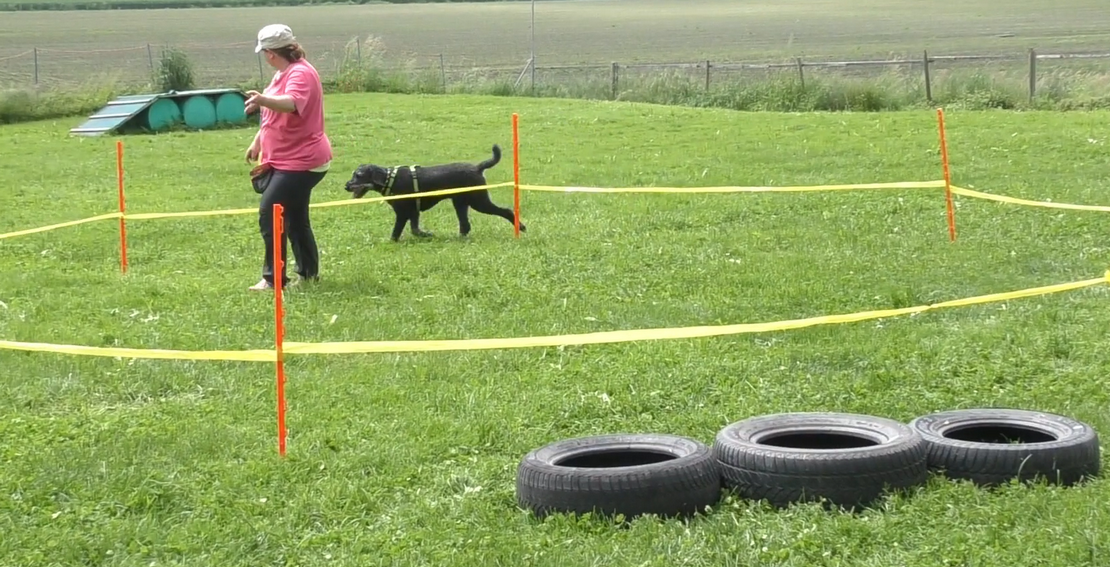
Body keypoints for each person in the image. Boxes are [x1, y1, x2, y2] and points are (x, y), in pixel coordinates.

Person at [244, 23, 332, 292]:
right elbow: (274, 114)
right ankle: (308, 274)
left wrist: (262, 99)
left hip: (302, 161)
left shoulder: (300, 74)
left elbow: (291, 103)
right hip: (287, 159)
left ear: (270, 53)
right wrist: (258, 140)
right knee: (294, 217)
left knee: (270, 214)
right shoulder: (283, 73)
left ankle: (273, 279)